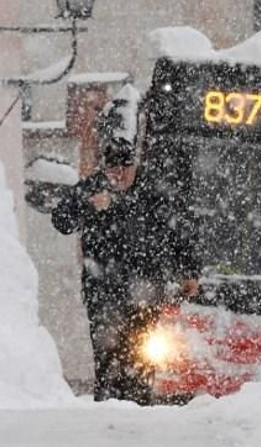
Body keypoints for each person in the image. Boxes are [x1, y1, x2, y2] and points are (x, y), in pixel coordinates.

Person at [50, 132, 200, 403]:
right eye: (112, 169)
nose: (118, 175)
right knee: (108, 361)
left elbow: (179, 231)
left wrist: (189, 270)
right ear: (104, 168)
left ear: (134, 167)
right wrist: (88, 207)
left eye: (125, 169)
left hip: (145, 293)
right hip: (103, 292)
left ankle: (139, 409)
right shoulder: (91, 189)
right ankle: (107, 411)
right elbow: (60, 220)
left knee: (143, 359)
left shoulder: (152, 193)